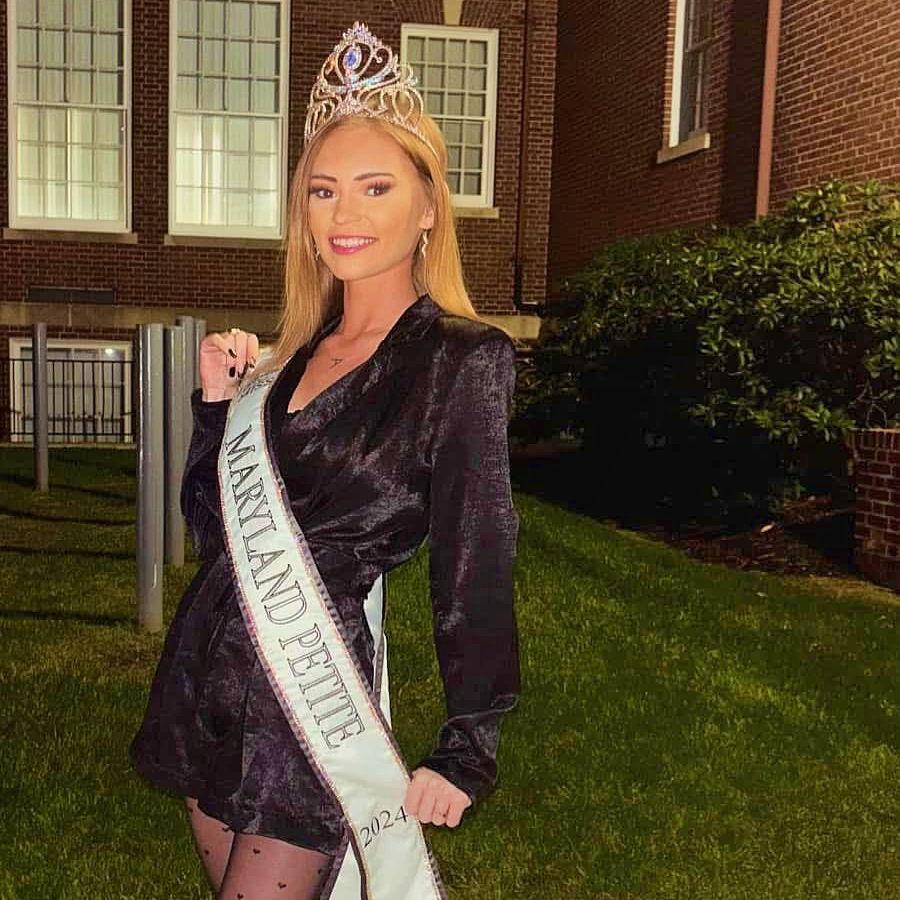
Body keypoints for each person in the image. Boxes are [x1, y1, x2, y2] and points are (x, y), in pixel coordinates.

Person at [129, 21, 521, 900]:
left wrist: (468, 744)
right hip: (205, 676)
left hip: (308, 711)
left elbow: (477, 560)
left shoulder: (460, 360)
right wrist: (216, 412)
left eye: (376, 188)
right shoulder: (286, 364)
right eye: (323, 190)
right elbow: (215, 537)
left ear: (428, 206)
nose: (345, 216)